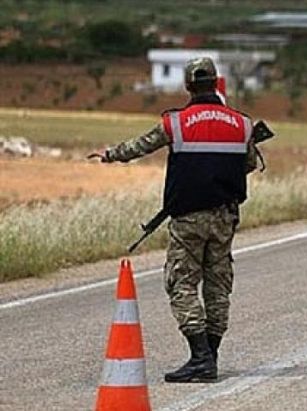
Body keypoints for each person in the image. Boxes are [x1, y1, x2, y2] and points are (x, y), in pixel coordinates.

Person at [88, 57, 254, 383]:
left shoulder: (176, 123)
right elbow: (247, 165)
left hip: (188, 218)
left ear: (189, 85)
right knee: (218, 286)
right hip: (225, 217)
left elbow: (140, 146)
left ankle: (201, 358)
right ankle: (211, 355)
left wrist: (110, 155)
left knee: (182, 283)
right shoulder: (242, 124)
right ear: (216, 82)